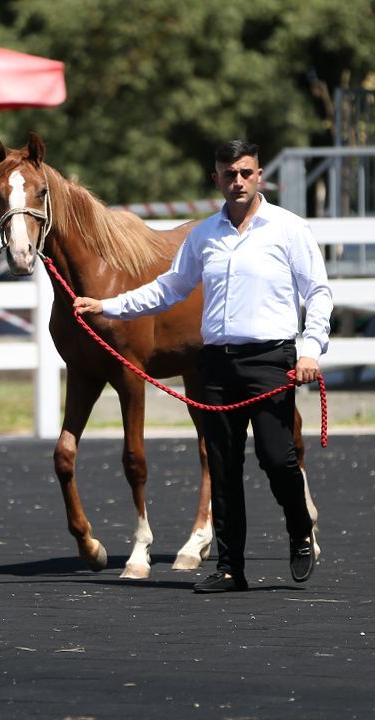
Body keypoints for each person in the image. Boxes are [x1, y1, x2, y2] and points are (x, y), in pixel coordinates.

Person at [72, 139, 332, 593]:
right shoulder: (203, 236)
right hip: (215, 363)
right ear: (216, 179)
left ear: (259, 176)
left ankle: (298, 530)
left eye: (246, 173)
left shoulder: (289, 229)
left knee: (277, 458)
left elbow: (318, 293)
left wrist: (311, 349)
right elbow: (168, 289)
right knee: (223, 466)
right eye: (229, 174)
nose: (238, 181)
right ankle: (230, 567)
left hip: (270, 359)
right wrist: (107, 305)